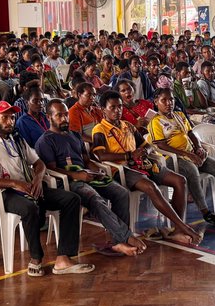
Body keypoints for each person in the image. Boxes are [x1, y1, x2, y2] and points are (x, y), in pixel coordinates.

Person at [0, 101, 93, 277]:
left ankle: (63, 258)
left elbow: (39, 163)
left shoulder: (17, 140)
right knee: (30, 208)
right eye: (4, 117)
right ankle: (36, 258)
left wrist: (37, 179)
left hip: (28, 187)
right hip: (5, 193)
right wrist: (14, 183)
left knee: (72, 199)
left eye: (12, 117)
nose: (9, 121)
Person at [35, 98, 146, 257]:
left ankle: (118, 242)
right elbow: (51, 169)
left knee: (121, 192)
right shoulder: (45, 141)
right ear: (49, 117)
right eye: (59, 115)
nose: (65, 118)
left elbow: (87, 160)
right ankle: (126, 237)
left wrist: (97, 171)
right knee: (95, 198)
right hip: (67, 182)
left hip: (86, 175)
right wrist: (76, 175)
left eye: (66, 114)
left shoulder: (74, 135)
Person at [92, 90, 202, 246]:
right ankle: (184, 227)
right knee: (151, 186)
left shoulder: (128, 126)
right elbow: (101, 156)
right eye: (113, 107)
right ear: (103, 110)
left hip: (141, 164)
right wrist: (129, 156)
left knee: (180, 181)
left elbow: (147, 145)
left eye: (120, 107)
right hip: (121, 170)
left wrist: (145, 152)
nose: (117, 110)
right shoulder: (99, 129)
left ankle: (177, 230)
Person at [147, 89, 215, 228]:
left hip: (191, 154)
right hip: (172, 159)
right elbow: (160, 145)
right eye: (164, 100)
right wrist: (186, 154)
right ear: (156, 102)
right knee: (192, 171)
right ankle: (206, 212)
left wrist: (198, 148)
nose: (168, 103)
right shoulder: (155, 121)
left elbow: (191, 134)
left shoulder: (179, 115)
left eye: (171, 99)